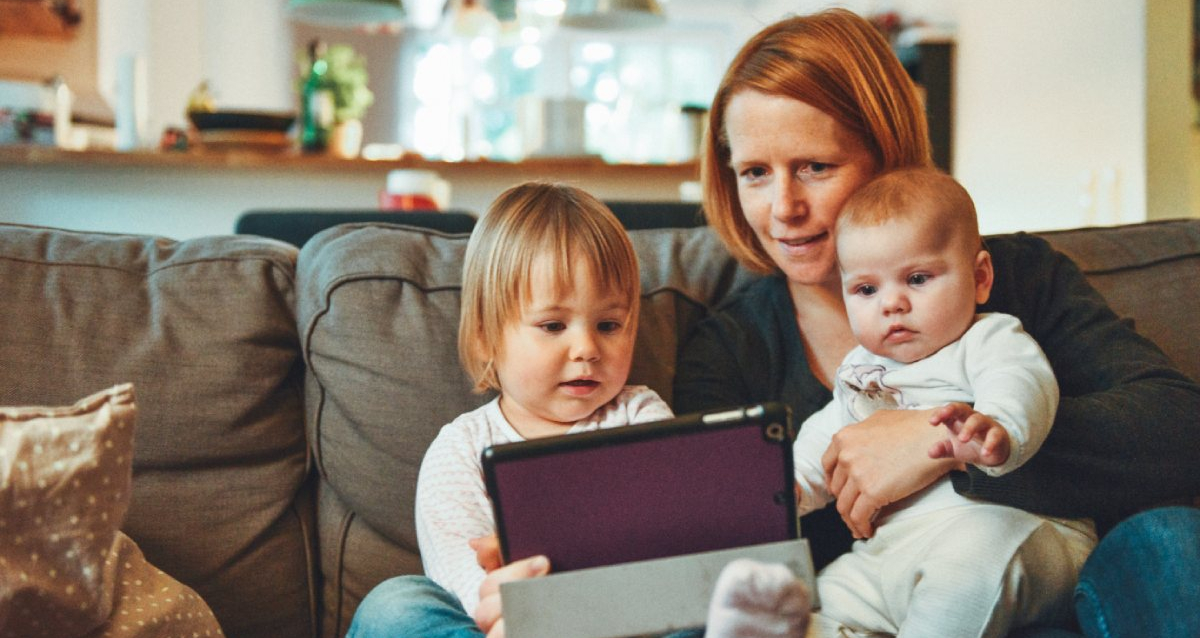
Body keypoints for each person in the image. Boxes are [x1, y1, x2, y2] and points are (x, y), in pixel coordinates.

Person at [669, 7, 1200, 637]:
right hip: (863, 609)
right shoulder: (729, 348)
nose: (784, 207)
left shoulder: (1014, 277)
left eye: (815, 166)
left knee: (1170, 537)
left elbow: (1179, 429)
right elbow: (719, 541)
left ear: (885, 156)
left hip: (1052, 586)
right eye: (755, 173)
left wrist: (941, 443)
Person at [348, 181, 811, 638]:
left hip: (632, 623)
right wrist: (509, 609)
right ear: (485, 336)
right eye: (553, 325)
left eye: (609, 324)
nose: (586, 348)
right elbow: (462, 579)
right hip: (511, 628)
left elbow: (673, 543)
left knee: (711, 598)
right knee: (396, 604)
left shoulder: (640, 416)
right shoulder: (461, 448)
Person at [788, 167, 1095, 636]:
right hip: (890, 552)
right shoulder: (861, 368)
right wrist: (786, 488)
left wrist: (999, 428)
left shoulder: (988, 337)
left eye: (917, 278)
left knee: (966, 569)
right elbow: (830, 434)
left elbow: (1020, 380)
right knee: (816, 604)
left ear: (979, 278)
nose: (891, 303)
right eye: (867, 289)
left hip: (1009, 531)